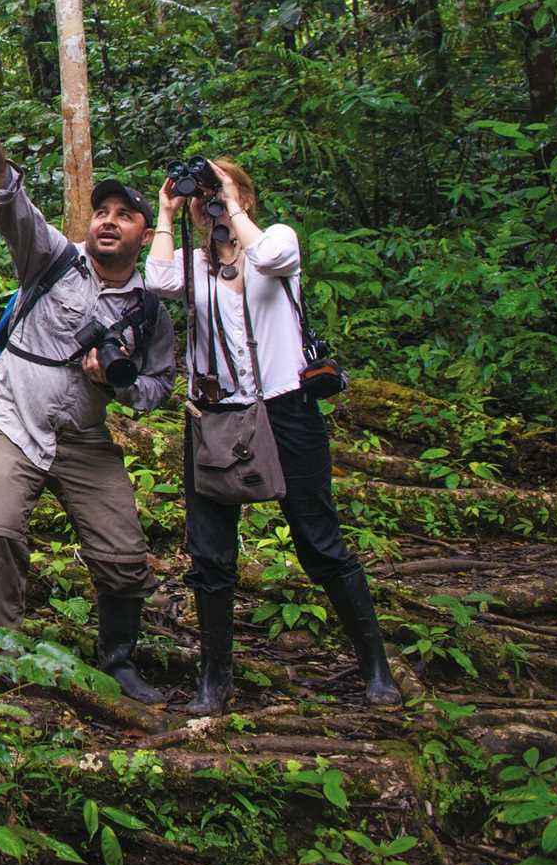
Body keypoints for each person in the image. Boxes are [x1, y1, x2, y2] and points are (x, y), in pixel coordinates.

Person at [147, 157, 402, 714]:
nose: (208, 198)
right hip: (215, 416)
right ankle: (215, 680)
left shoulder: (274, 241)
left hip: (288, 409)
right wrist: (167, 212)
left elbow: (273, 256)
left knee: (319, 541)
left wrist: (229, 205)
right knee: (211, 553)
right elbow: (158, 281)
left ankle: (375, 667)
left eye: (222, 188)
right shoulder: (192, 266)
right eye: (203, 193)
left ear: (246, 197)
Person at [0, 103, 176, 703]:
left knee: (125, 554)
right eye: (100, 212)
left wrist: (120, 383)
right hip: (15, 415)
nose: (108, 222)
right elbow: (12, 211)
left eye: (124, 216)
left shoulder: (152, 309)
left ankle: (120, 660)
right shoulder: (51, 259)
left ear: (143, 234)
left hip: (82, 434)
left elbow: (159, 389)